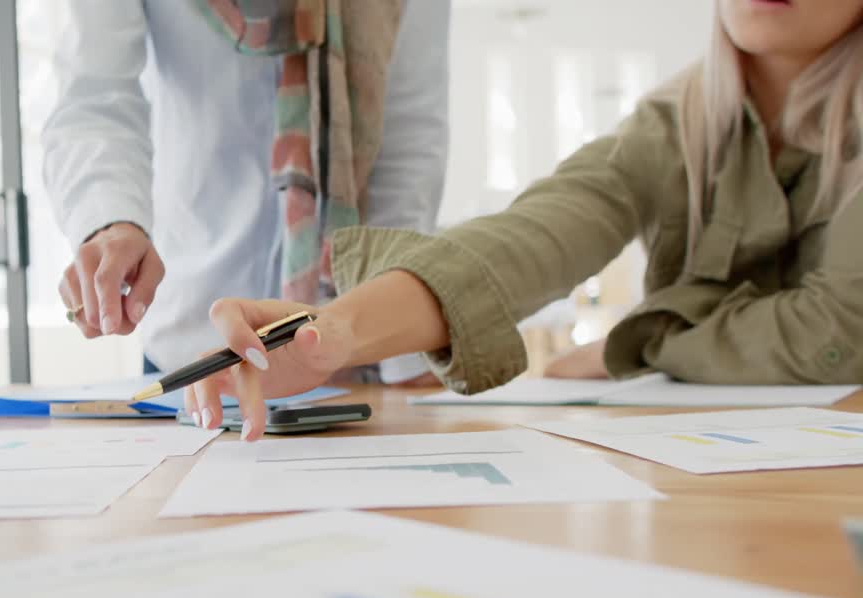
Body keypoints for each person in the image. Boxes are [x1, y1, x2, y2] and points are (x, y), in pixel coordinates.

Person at [187, 0, 863, 440]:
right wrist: (332, 334)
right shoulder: (674, 121)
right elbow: (537, 235)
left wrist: (638, 344)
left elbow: (839, 330)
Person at [42, 0, 450, 384]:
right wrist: (109, 220)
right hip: (191, 342)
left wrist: (403, 349)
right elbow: (95, 98)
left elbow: (409, 129)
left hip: (358, 352)